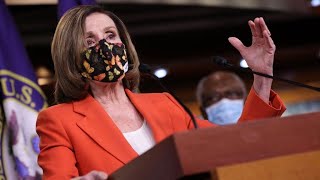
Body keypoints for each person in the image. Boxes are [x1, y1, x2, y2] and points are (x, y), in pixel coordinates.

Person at [36, 5, 286, 179]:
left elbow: (235, 147)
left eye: (111, 35)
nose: (104, 46)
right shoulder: (58, 120)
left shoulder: (165, 104)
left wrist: (262, 77)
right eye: (89, 41)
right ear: (71, 55)